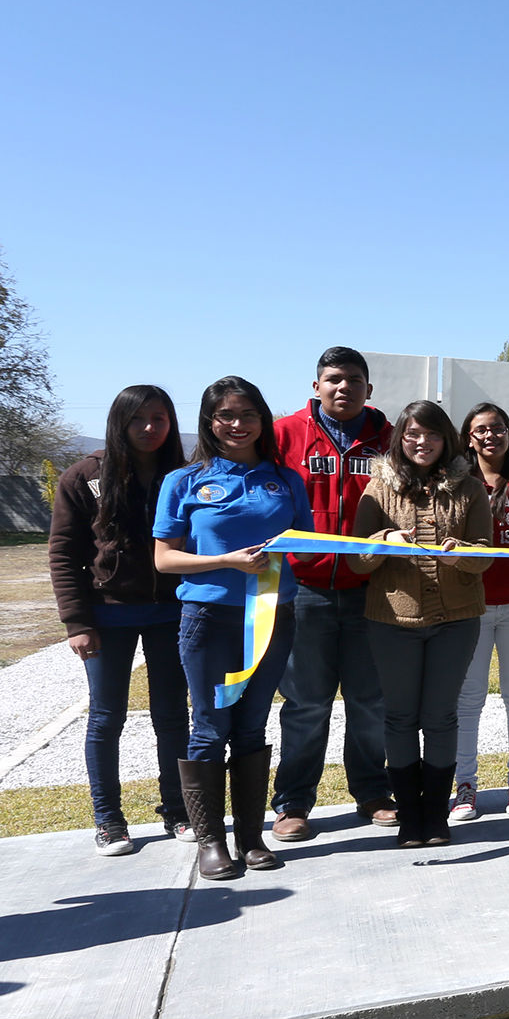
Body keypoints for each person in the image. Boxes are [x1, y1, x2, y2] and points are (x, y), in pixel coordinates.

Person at [153, 377, 312, 881]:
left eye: (247, 414)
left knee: (252, 724)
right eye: (225, 415)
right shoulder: (183, 481)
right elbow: (163, 559)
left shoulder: (286, 480)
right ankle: (210, 841)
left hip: (272, 616)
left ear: (262, 419)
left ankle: (249, 836)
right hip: (208, 619)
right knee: (209, 726)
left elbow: (305, 545)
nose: (237, 424)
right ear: (209, 421)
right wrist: (226, 560)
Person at [50, 385, 192, 855]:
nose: (150, 428)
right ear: (119, 423)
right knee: (106, 718)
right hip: (107, 616)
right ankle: (109, 819)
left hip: (171, 612)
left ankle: (179, 810)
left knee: (172, 716)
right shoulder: (83, 477)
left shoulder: (185, 475)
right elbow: (64, 555)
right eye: (138, 419)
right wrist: (77, 622)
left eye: (160, 418)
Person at [347, 401, 493, 847]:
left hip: (456, 620)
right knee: (400, 717)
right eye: (412, 434)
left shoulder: (470, 488)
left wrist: (465, 553)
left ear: (446, 439)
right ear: (400, 439)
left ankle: (436, 814)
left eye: (431, 434)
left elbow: (486, 554)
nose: (421, 442)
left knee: (441, 716)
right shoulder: (377, 488)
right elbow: (356, 560)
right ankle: (411, 815)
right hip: (393, 620)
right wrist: (383, 540)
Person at [271, 346, 398, 841]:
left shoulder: (389, 440)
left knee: (371, 701)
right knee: (306, 703)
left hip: (372, 590)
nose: (342, 387)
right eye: (333, 379)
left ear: (370, 388)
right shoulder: (283, 435)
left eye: (353, 380)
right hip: (304, 590)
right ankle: (294, 802)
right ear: (315, 385)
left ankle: (371, 791)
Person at [449, 403, 509, 821]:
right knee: (468, 699)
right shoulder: (454, 478)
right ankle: (465, 786)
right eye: (481, 430)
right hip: (471, 603)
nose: (491, 436)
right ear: (469, 437)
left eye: (498, 428)